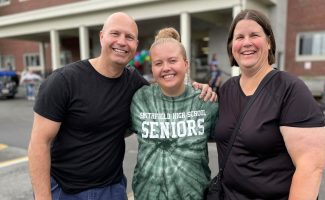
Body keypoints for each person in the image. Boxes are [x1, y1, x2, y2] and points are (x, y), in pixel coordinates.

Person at [27, 12, 215, 200]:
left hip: (113, 189)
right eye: (115, 34)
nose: (122, 42)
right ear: (102, 37)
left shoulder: (136, 85)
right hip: (66, 191)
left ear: (135, 45)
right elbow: (39, 143)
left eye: (129, 37)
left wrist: (196, 88)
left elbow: (165, 88)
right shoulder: (64, 81)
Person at [214, 9, 325, 200]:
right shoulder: (226, 90)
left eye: (254, 35)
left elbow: (311, 168)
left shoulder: (290, 89)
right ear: (232, 45)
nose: (246, 42)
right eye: (239, 37)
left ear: (269, 42)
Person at [130, 27, 218, 200]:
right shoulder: (140, 99)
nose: (166, 68)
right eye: (158, 63)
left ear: (185, 64)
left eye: (172, 61)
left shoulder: (205, 101)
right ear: (152, 67)